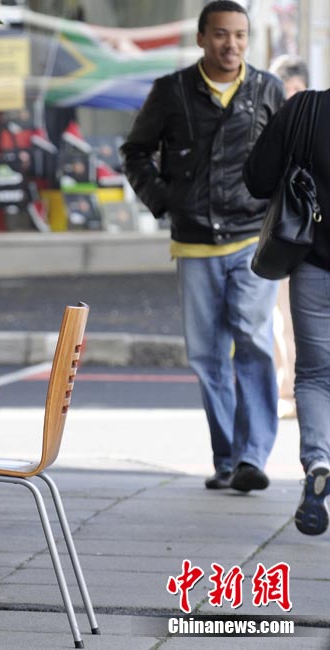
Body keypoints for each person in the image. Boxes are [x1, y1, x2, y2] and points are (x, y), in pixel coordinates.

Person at [120, 1, 285, 492]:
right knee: (208, 357)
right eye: (220, 34)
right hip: (193, 244)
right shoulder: (170, 91)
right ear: (200, 38)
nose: (231, 44)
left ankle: (253, 456)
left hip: (251, 240)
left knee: (253, 341)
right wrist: (166, 201)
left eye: (240, 35)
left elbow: (287, 157)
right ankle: (228, 459)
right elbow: (135, 152)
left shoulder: (267, 89)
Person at [244, 87, 330, 535]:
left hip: (314, 264)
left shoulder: (306, 109)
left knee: (315, 375)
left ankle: (318, 460)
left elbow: (257, 179)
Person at [268, 55, 310, 419]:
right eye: (287, 89)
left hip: (313, 236)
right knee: (283, 317)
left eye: (298, 88)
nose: (292, 95)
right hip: (280, 235)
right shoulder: (269, 128)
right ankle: (288, 391)